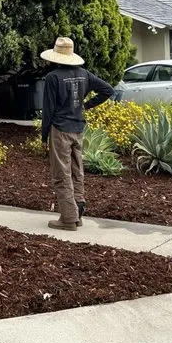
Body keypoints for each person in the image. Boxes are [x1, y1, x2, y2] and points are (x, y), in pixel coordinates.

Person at [40, 37, 115, 231]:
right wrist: (86, 105)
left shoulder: (53, 77)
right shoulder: (84, 74)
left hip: (60, 129)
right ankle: (78, 213)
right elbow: (108, 90)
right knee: (76, 171)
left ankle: (68, 219)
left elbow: (48, 110)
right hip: (78, 129)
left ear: (55, 56)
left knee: (60, 174)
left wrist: (43, 136)